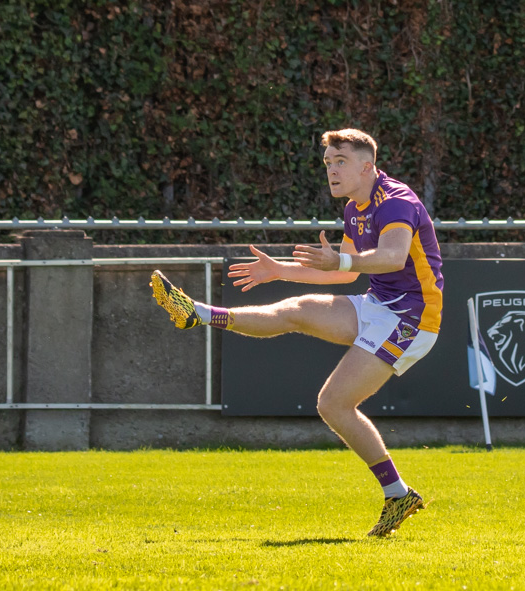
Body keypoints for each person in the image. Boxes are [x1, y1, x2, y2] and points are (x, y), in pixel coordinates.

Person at [150, 129, 443, 537]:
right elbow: (346, 270)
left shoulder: (395, 200)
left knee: (333, 404)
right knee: (296, 310)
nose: (331, 170)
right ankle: (196, 313)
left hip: (413, 318)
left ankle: (397, 494)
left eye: (340, 161)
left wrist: (340, 260)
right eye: (327, 162)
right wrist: (281, 270)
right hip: (379, 307)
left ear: (366, 165)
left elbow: (391, 258)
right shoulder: (355, 208)